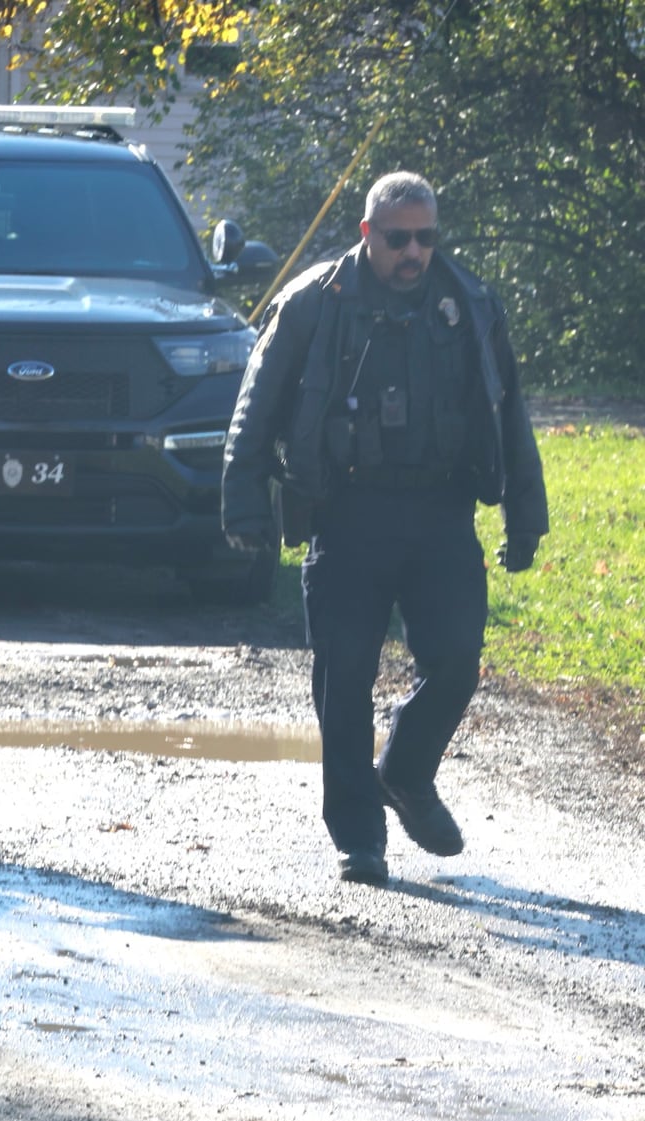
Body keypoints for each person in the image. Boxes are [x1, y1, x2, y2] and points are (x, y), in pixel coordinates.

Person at [221, 171, 548, 887]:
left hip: (441, 514)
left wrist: (526, 516)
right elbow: (257, 402)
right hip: (347, 514)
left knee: (458, 660)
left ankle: (405, 770)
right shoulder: (315, 302)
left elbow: (508, 414)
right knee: (344, 683)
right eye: (398, 238)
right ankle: (360, 839)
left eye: (425, 237)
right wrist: (242, 503)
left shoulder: (471, 304)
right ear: (369, 234)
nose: (414, 252)